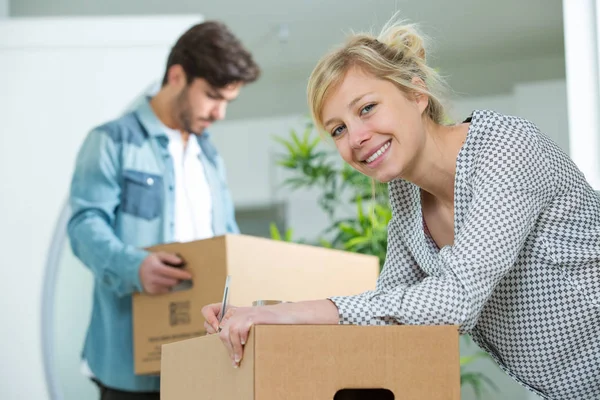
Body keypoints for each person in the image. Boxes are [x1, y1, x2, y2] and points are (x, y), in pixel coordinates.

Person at [201, 18, 600, 400]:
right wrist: (267, 317)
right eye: (338, 129)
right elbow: (389, 314)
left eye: (367, 108)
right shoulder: (408, 197)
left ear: (416, 93)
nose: (355, 137)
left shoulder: (505, 149)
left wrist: (292, 314)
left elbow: (456, 300)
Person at [68, 20, 260, 399]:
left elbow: (228, 237)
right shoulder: (112, 141)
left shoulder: (209, 157)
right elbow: (84, 225)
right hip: (130, 366)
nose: (220, 113)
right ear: (177, 76)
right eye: (212, 96)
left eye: (227, 102)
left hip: (203, 357)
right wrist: (133, 267)